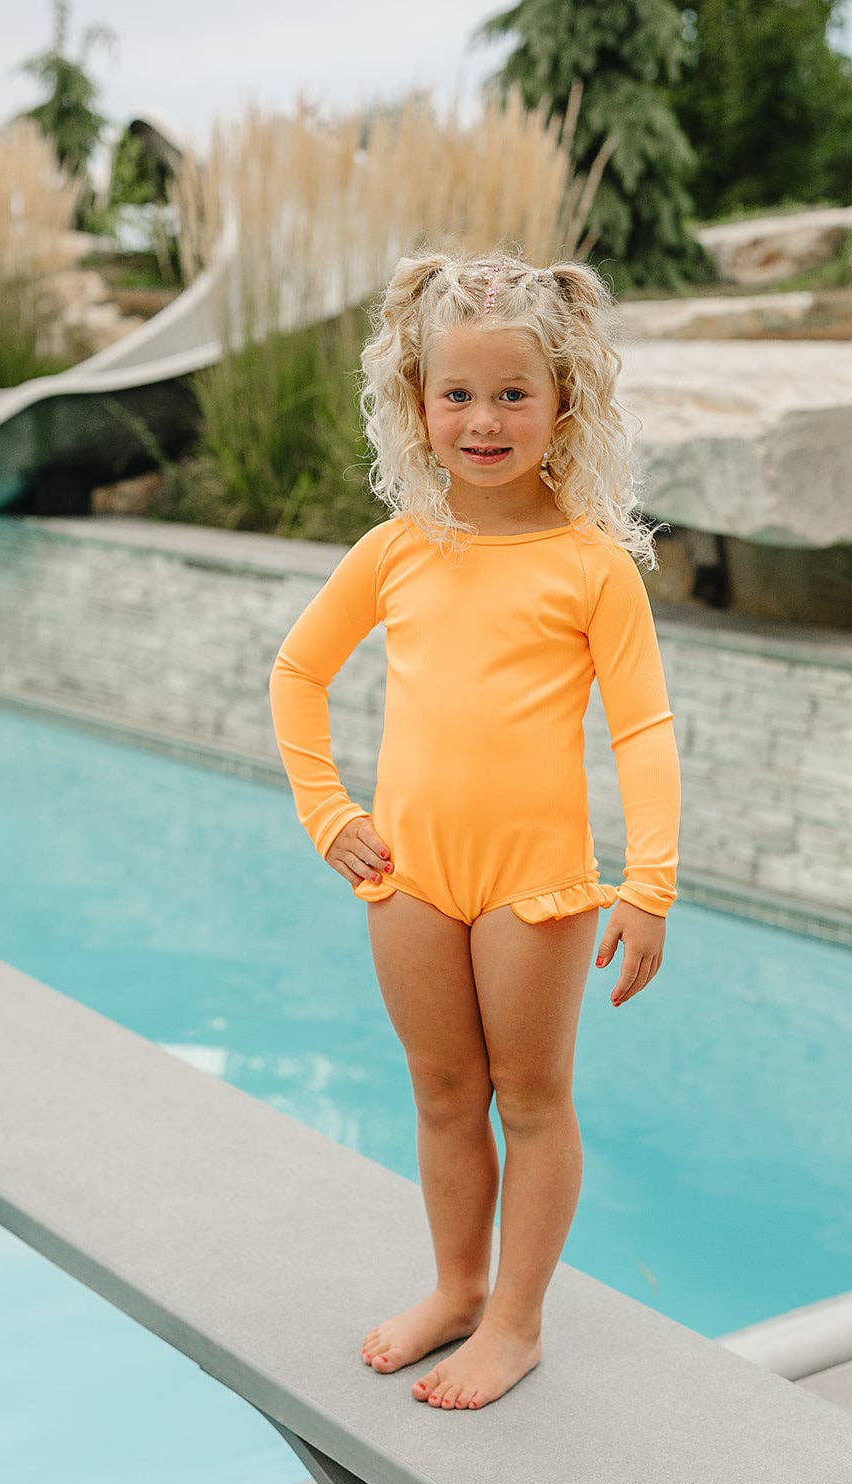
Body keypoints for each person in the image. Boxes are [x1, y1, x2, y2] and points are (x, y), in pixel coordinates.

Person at [269, 250, 681, 1413]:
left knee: (530, 1097)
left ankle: (515, 1320)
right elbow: (297, 673)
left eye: (512, 393)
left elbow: (640, 732)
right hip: (408, 872)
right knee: (443, 1089)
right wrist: (327, 814)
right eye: (457, 394)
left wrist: (647, 885)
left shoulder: (592, 567)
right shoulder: (399, 549)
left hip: (531, 886)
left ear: (564, 404)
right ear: (415, 404)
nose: (484, 419)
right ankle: (456, 1286)